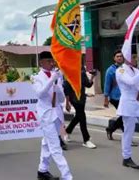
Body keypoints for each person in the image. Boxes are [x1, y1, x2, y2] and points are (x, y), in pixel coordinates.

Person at [33, 51, 72, 180]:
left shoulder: (56, 76)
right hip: (46, 115)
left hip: (57, 114)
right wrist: (51, 80)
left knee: (46, 143)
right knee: (55, 146)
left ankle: (42, 170)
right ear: (41, 62)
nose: (51, 63)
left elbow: (60, 99)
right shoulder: (36, 77)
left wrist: (58, 88)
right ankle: (67, 176)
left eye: (52, 61)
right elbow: (40, 94)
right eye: (48, 61)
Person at [64, 66, 96, 149]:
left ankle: (67, 131)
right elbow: (66, 88)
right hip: (73, 98)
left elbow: (88, 84)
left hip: (82, 98)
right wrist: (67, 103)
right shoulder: (69, 71)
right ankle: (86, 139)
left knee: (78, 116)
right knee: (82, 117)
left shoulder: (82, 71)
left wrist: (92, 76)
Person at [104, 50, 124, 140]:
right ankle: (126, 136)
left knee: (125, 116)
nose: (119, 58)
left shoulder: (126, 68)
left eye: (121, 56)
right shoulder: (110, 70)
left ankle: (111, 129)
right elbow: (107, 84)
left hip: (126, 96)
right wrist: (106, 98)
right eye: (117, 56)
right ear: (114, 58)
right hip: (115, 97)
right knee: (124, 116)